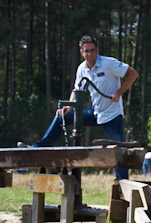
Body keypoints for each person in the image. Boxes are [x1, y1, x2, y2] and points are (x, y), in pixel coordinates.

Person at [17, 35, 138, 180]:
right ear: (82, 52)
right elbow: (76, 89)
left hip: (112, 115)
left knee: (118, 153)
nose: (90, 54)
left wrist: (118, 92)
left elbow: (133, 74)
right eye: (86, 51)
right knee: (63, 115)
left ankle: (122, 186)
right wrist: (69, 105)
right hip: (95, 113)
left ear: (97, 50)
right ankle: (38, 149)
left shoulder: (109, 63)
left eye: (92, 50)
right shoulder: (82, 69)